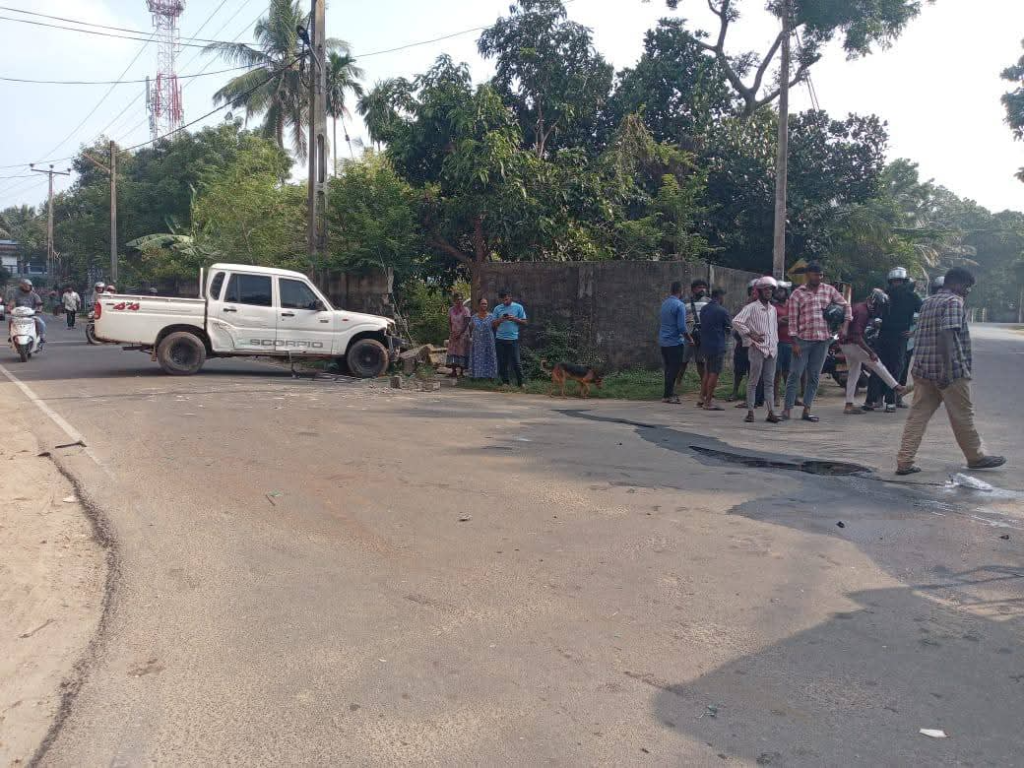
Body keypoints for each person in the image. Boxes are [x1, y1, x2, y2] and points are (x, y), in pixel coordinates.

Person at [896, 268, 1005, 475]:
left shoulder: (928, 302)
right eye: (966, 286)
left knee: (917, 417)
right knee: (962, 416)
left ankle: (904, 461)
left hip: (923, 371)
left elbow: (920, 335)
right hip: (950, 373)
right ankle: (975, 457)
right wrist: (947, 370)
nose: (967, 291)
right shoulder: (953, 302)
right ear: (956, 283)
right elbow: (947, 334)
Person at [782, 262, 851, 423]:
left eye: (821, 275)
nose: (818, 278)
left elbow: (846, 305)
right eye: (815, 274)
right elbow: (792, 320)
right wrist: (794, 343)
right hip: (802, 340)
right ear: (807, 275)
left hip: (822, 340)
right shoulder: (797, 294)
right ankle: (787, 410)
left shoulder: (829, 290)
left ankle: (807, 410)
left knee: (814, 377)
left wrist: (845, 325)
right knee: (795, 374)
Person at [839, 289, 909, 415]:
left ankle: (849, 405)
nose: (879, 311)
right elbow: (857, 336)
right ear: (873, 303)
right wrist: (870, 352)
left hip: (845, 344)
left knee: (854, 372)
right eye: (879, 307)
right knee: (876, 363)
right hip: (852, 343)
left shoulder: (859, 306)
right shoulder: (863, 312)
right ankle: (897, 387)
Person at [867, 267, 922, 413]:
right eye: (895, 281)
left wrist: (913, 332)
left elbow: (924, 314)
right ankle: (878, 399)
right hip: (886, 335)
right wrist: (913, 332)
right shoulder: (888, 295)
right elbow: (873, 313)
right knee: (882, 367)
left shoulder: (908, 296)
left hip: (897, 336)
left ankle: (887, 401)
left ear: (903, 282)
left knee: (890, 368)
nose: (897, 284)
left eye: (899, 281)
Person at [732, 277, 782, 424]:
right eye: (766, 289)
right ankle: (750, 412)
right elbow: (736, 321)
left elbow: (773, 328)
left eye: (770, 289)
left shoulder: (773, 309)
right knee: (753, 381)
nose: (769, 292)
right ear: (759, 292)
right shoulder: (751, 307)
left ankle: (771, 412)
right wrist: (750, 334)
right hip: (757, 348)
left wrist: (775, 342)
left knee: (769, 382)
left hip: (772, 348)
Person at [697, 288, 731, 410]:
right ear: (720, 296)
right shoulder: (722, 311)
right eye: (723, 296)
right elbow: (728, 328)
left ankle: (701, 398)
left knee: (707, 371)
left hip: (705, 345)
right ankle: (708, 402)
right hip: (717, 346)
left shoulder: (704, 309)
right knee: (714, 373)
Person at [676, 279, 709, 390]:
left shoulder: (708, 301)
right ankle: (678, 384)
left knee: (700, 361)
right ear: (693, 289)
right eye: (699, 287)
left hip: (703, 334)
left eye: (704, 287)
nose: (702, 289)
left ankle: (704, 385)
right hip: (689, 335)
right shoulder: (684, 302)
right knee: (683, 360)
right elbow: (680, 318)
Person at [658, 281, 688, 404]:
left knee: (668, 368)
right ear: (681, 291)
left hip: (663, 341)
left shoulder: (664, 304)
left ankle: (668, 393)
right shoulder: (680, 305)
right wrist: (689, 338)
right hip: (674, 342)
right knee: (674, 369)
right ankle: (668, 395)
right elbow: (681, 327)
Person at [491, 288, 528, 388]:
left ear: (510, 297)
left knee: (516, 361)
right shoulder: (497, 309)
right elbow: (493, 324)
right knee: (503, 362)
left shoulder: (518, 307)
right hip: (500, 339)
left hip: (513, 339)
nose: (505, 301)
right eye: (503, 300)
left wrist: (515, 319)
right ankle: (505, 382)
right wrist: (501, 319)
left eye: (506, 299)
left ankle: (521, 383)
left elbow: (525, 322)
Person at [773, 282, 794, 410]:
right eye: (778, 291)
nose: (779, 293)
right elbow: (770, 323)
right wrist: (780, 321)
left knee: (788, 372)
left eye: (781, 291)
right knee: (777, 371)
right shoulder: (773, 307)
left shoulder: (791, 306)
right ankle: (776, 397)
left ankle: (789, 397)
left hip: (791, 342)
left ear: (786, 292)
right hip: (778, 342)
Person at [8, 278, 45, 345]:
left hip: (31, 315)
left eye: (28, 286)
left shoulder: (34, 295)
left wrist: (39, 309)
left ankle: (41, 337)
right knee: (11, 321)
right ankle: (11, 336)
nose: (27, 287)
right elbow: (12, 303)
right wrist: (9, 308)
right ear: (21, 286)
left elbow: (39, 303)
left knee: (40, 322)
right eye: (25, 286)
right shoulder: (16, 295)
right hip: (18, 315)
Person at [468, 297, 498, 379]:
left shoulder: (492, 317)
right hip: (477, 343)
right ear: (478, 305)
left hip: (488, 342)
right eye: (482, 303)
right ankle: (477, 376)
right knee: (478, 358)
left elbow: (495, 327)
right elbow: (471, 329)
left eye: (485, 304)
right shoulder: (474, 317)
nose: (484, 305)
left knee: (489, 358)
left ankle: (490, 377)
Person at [445, 293, 471, 378]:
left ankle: (462, 372)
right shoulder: (451, 310)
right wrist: (451, 332)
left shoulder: (466, 310)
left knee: (462, 352)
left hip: (463, 335)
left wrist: (460, 333)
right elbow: (449, 322)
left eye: (460, 299)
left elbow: (467, 322)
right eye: (457, 299)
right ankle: (453, 371)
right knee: (453, 352)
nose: (459, 301)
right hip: (453, 334)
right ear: (454, 301)